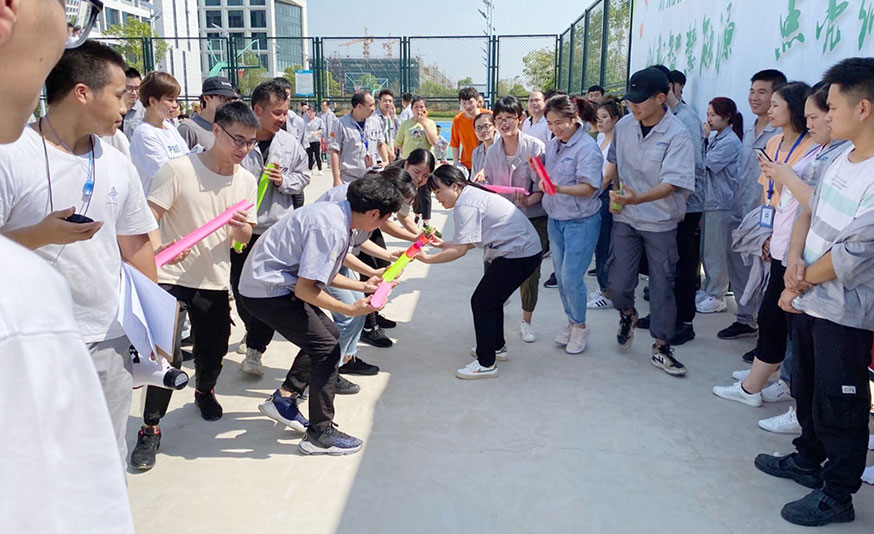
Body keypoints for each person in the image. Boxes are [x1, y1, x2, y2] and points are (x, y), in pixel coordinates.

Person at [0, 4, 135, 531]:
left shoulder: (117, 161)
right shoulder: (12, 154)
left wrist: (150, 326)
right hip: (31, 347)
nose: (125, 105)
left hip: (107, 338)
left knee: (103, 463)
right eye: (119, 94)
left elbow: (135, 246)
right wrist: (38, 236)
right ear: (82, 92)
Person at [755, 58, 874, 527]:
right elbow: (809, 210)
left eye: (834, 106)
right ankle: (808, 457)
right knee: (804, 383)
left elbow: (854, 253)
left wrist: (799, 280)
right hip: (808, 292)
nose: (824, 115)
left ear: (863, 108)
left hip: (844, 308)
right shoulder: (840, 157)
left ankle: (838, 493)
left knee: (839, 400)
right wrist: (793, 265)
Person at [131, 102, 259, 470]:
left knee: (213, 348)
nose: (244, 148)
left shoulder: (246, 180)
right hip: (170, 278)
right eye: (238, 139)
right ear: (216, 130)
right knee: (166, 357)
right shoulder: (178, 170)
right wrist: (161, 248)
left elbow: (242, 238)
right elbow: (148, 218)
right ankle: (150, 428)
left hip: (213, 279)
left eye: (250, 142)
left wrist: (241, 229)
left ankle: (204, 390)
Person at [238, 175, 402, 455]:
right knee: (326, 348)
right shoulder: (332, 228)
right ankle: (319, 433)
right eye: (386, 218)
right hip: (267, 291)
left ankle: (284, 398)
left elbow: (321, 269)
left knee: (329, 335)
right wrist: (351, 308)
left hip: (276, 283)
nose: (385, 224)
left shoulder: (339, 215)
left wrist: (364, 285)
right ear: (374, 213)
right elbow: (306, 288)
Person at [710, 82, 815, 406]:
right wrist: (764, 234)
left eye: (775, 104)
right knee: (773, 314)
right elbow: (766, 193)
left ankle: (758, 386)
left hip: (798, 246)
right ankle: (769, 375)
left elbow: (804, 202)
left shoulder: (813, 148)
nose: (768, 108)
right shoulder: (772, 142)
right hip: (775, 236)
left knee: (778, 317)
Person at [606, 67, 695, 376]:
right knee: (618, 284)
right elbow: (615, 163)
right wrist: (614, 192)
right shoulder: (624, 126)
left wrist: (636, 198)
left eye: (639, 100)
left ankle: (661, 346)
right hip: (626, 218)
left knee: (662, 286)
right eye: (629, 100)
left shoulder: (678, 134)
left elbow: (672, 183)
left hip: (660, 221)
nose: (632, 105)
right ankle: (627, 313)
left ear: (660, 98)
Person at [417, 166, 542, 379]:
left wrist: (427, 259)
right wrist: (445, 244)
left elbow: (460, 251)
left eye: (438, 191)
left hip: (518, 254)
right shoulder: (470, 195)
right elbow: (470, 239)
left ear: (454, 186)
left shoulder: (465, 204)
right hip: (521, 251)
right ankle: (496, 347)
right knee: (492, 301)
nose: (436, 198)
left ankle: (486, 363)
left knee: (482, 302)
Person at [234, 80, 310, 374]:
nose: (283, 118)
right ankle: (251, 330)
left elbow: (303, 176)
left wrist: (284, 181)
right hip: (243, 230)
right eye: (277, 112)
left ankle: (255, 349)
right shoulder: (239, 141)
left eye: (285, 112)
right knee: (240, 290)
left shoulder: (289, 144)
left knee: (267, 293)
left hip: (276, 231)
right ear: (257, 110)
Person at [718, 69, 787, 344]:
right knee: (739, 265)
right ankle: (744, 319)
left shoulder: (780, 134)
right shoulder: (749, 129)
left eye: (762, 92)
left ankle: (765, 333)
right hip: (740, 210)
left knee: (765, 274)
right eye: (752, 91)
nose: (754, 97)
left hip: (766, 217)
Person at [538, 94, 603, 353]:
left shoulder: (587, 148)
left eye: (559, 123)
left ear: (574, 118)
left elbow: (589, 188)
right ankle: (571, 321)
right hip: (556, 219)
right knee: (562, 276)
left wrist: (559, 188)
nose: (555, 128)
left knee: (571, 277)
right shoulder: (553, 145)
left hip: (581, 222)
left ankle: (580, 326)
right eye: (550, 124)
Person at [483, 96, 548, 344]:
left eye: (509, 118)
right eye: (499, 119)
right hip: (503, 219)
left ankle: (526, 321)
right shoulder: (492, 152)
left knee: (530, 272)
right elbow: (489, 187)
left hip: (533, 217)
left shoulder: (535, 147)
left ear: (520, 119)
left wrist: (530, 201)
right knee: (495, 266)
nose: (504, 123)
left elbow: (543, 186)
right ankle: (494, 315)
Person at [699, 97, 744, 316]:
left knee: (717, 251)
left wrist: (704, 139)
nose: (709, 119)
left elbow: (706, 163)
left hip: (722, 202)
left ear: (727, 117)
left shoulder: (730, 142)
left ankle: (718, 295)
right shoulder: (719, 138)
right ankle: (709, 288)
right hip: (711, 201)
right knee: (707, 250)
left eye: (713, 115)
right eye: (708, 114)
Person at [587, 95, 626, 310]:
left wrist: (591, 194)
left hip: (604, 195)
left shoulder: (617, 142)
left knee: (605, 246)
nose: (599, 121)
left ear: (615, 118)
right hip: (596, 192)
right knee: (599, 245)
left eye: (604, 117)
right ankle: (604, 287)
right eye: (598, 117)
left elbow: (608, 176)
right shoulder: (600, 138)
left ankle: (608, 293)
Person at [129, 71, 190, 194]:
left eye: (176, 100)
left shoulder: (169, 127)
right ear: (153, 101)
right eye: (170, 100)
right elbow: (165, 173)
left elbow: (188, 158)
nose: (175, 105)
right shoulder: (144, 133)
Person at [329, 91, 382, 187]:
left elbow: (380, 143)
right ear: (359, 106)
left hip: (371, 178)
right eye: (370, 105)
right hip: (348, 180)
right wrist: (336, 179)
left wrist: (386, 161)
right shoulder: (340, 123)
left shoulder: (375, 122)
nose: (373, 108)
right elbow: (334, 151)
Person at [176, 76, 237, 151]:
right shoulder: (188, 129)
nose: (228, 103)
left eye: (230, 99)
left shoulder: (230, 128)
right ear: (206, 98)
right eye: (223, 98)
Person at [450, 86, 489, 170]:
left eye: (470, 102)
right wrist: (456, 163)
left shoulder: (489, 116)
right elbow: (455, 144)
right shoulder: (458, 120)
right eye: (464, 103)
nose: (468, 106)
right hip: (467, 165)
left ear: (477, 101)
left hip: (488, 162)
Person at [374, 89, 400, 163]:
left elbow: (391, 137)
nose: (388, 103)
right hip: (378, 158)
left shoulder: (389, 118)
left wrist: (392, 152)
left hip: (389, 157)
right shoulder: (375, 118)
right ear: (379, 102)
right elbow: (379, 140)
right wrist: (389, 153)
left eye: (390, 101)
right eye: (385, 101)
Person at [470, 112, 496, 182]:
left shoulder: (503, 147)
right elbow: (474, 179)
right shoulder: (476, 152)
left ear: (495, 126)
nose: (483, 131)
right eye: (478, 128)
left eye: (486, 126)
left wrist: (486, 170)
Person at [122, 67, 144, 140]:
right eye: (130, 88)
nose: (134, 92)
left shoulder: (145, 111)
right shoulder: (112, 109)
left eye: (137, 88)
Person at [304, 106, 324, 172]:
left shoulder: (319, 120)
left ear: (315, 113)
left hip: (316, 140)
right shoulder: (304, 120)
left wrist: (317, 132)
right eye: (308, 112)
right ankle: (310, 169)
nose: (310, 113)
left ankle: (320, 169)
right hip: (308, 140)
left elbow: (323, 129)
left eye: (311, 112)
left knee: (317, 155)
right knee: (309, 155)